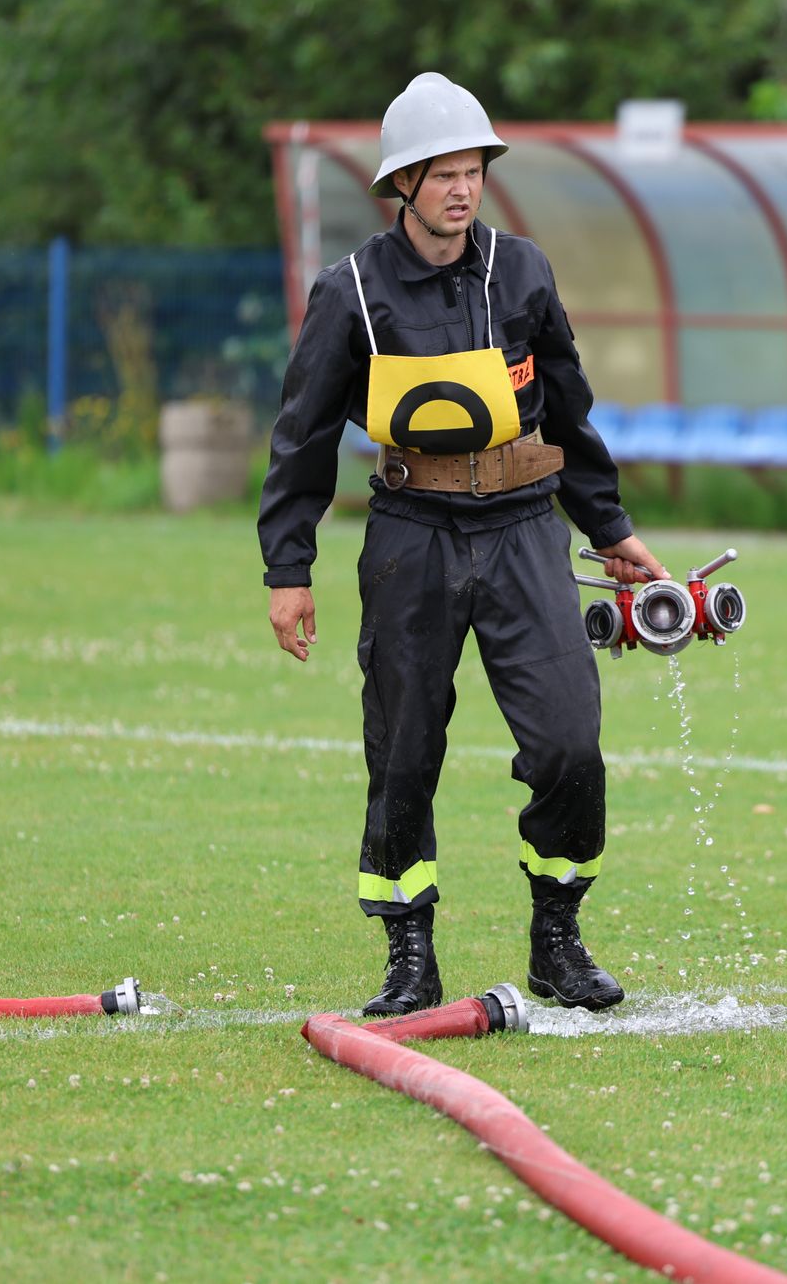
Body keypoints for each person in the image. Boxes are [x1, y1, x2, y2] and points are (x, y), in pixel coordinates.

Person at [257, 73, 667, 1016]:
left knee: (570, 741)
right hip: (411, 537)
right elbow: (303, 436)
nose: (461, 188)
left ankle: (557, 940)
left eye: (472, 170)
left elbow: (570, 410)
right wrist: (290, 569)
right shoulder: (350, 291)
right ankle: (409, 954)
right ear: (402, 185)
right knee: (402, 750)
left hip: (525, 531)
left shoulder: (523, 271)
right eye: (441, 173)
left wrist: (612, 531)